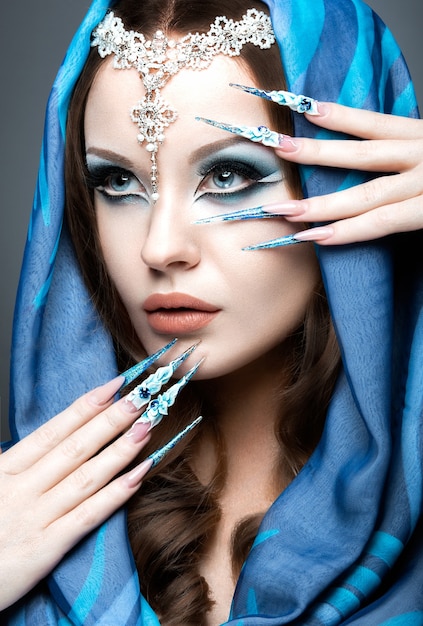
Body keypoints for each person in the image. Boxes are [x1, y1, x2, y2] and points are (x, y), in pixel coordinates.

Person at [1, 0, 422, 623]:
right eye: (117, 184)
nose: (160, 246)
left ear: (348, 181)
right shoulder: (20, 506)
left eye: (228, 174)